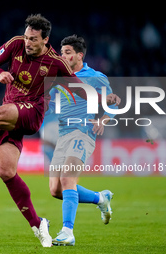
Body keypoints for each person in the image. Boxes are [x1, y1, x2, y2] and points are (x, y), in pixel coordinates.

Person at [0, 14, 120, 247]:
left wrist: (103, 99)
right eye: (27, 37)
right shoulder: (16, 44)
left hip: (31, 112)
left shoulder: (55, 63)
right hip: (13, 114)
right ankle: (38, 223)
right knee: (6, 172)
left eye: (33, 39)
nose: (28, 42)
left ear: (45, 40)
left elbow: (79, 89)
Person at [47, 35, 117, 246]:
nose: (63, 56)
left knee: (68, 178)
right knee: (56, 190)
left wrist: (103, 120)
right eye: (62, 52)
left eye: (67, 52)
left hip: (83, 131)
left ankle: (67, 231)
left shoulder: (95, 77)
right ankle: (100, 198)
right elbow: (49, 102)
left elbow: (113, 103)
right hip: (63, 134)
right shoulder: (59, 77)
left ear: (79, 55)